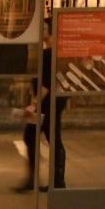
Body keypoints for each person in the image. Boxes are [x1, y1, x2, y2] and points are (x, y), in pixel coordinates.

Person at [19, 16, 66, 191]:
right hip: (47, 102)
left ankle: (57, 181)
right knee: (32, 136)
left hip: (48, 103)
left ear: (52, 32)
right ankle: (38, 179)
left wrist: (35, 104)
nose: (41, 32)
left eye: (44, 29)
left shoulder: (50, 54)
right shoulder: (50, 52)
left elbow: (47, 82)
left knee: (51, 138)